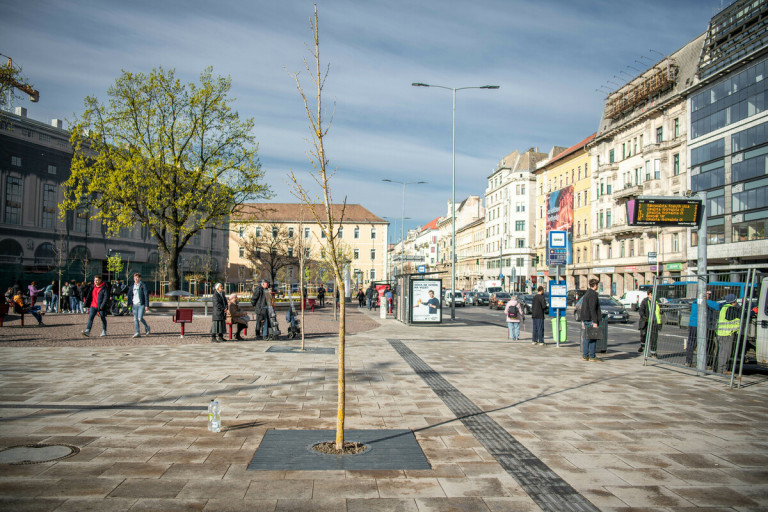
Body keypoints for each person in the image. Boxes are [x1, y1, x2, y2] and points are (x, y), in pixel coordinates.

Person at [685, 290, 721, 367]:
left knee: (692, 343)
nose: (709, 296)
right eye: (708, 294)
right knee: (707, 343)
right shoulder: (704, 302)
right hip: (700, 325)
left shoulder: (696, 302)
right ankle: (707, 363)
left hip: (693, 325)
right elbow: (717, 306)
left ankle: (688, 361)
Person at [715, 294, 741, 374]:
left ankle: (722, 369)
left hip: (722, 333)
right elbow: (742, 315)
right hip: (726, 334)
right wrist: (753, 311)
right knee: (726, 352)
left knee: (723, 351)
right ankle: (722, 369)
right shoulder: (730, 309)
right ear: (734, 301)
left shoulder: (725, 307)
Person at [580, 278, 603, 362]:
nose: (598, 286)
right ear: (595, 285)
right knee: (592, 338)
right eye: (597, 285)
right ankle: (592, 356)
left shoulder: (587, 293)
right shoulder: (593, 294)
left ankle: (585, 355)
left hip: (586, 318)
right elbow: (592, 309)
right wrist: (595, 321)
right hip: (590, 318)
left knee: (587, 337)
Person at [638, 290, 662, 356]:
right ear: (648, 295)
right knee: (643, 334)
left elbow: (661, 310)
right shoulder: (645, 301)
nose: (653, 296)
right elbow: (641, 310)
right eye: (651, 295)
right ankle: (643, 345)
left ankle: (653, 353)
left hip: (655, 322)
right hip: (646, 321)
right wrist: (643, 316)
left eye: (654, 294)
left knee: (654, 338)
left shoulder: (658, 301)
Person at [127, 273, 151, 338]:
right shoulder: (132, 285)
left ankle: (147, 327)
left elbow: (146, 295)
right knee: (135, 319)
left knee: (140, 318)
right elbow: (129, 295)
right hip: (134, 305)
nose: (136, 279)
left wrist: (146, 305)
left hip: (141, 304)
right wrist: (129, 303)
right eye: (135, 278)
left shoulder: (143, 285)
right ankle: (138, 332)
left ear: (140, 278)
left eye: (137, 278)